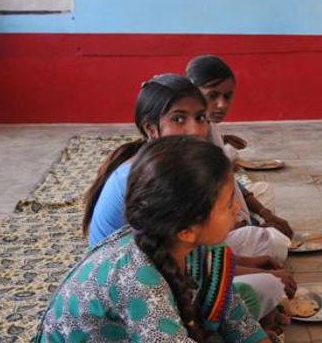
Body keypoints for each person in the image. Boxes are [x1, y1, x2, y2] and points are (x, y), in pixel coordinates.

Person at [32, 136, 322, 343]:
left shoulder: (202, 248)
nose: (240, 210)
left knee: (239, 302)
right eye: (228, 204)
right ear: (187, 228)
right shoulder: (138, 277)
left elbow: (238, 326)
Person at [83, 74, 296, 328]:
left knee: (265, 242)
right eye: (179, 119)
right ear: (151, 129)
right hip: (136, 288)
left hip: (173, 260)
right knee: (265, 288)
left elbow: (190, 250)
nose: (195, 130)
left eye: (200, 118)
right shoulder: (154, 177)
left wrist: (248, 263)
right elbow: (174, 265)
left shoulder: (174, 163)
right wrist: (260, 274)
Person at [186, 55, 294, 258]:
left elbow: (229, 181)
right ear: (193, 94)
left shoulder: (210, 127)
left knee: (264, 190)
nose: (221, 104)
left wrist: (265, 214)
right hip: (202, 232)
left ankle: (250, 227)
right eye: (213, 96)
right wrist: (238, 222)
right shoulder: (188, 141)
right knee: (274, 245)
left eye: (228, 96)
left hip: (222, 211)